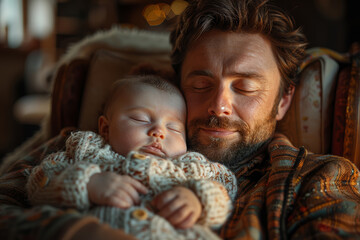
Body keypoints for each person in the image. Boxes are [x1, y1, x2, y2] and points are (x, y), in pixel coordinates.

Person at [0, 0, 360, 239]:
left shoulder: (316, 179)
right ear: (177, 83)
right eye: (201, 83)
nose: (219, 106)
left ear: (283, 102)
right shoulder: (83, 143)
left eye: (246, 88)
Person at [25, 74, 237, 240]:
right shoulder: (86, 151)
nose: (159, 132)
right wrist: (87, 184)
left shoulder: (192, 166)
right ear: (105, 128)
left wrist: (197, 199)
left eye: (173, 128)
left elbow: (225, 188)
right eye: (140, 119)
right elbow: (39, 181)